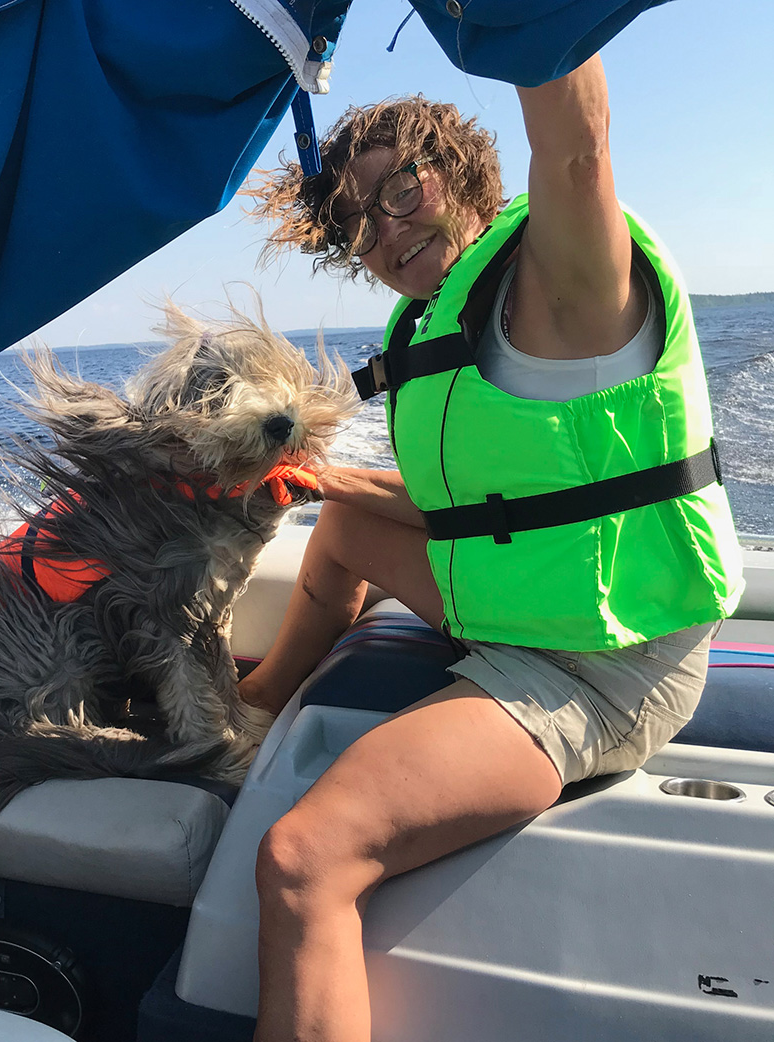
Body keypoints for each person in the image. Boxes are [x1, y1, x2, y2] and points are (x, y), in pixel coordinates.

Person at [237, 54, 743, 1042]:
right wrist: (319, 478)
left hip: (601, 662)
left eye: (401, 190)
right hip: (523, 600)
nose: (386, 231)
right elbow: (477, 511)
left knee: (303, 859)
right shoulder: (437, 319)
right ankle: (256, 705)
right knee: (343, 523)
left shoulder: (568, 289)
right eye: (359, 222)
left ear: (463, 172)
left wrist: (537, 30)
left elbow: (577, 147)